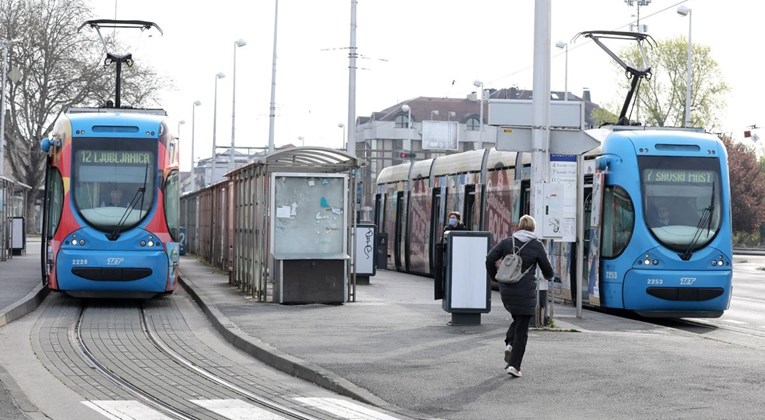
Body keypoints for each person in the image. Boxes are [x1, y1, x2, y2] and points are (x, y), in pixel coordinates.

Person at [485, 214, 554, 378]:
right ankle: (514, 366)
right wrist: (548, 275)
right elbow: (547, 269)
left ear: (519, 227)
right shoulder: (536, 245)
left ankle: (509, 343)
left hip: (506, 290)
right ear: (533, 228)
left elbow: (489, 259)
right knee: (522, 329)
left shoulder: (507, 242)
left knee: (518, 319)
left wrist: (494, 277)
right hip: (525, 291)